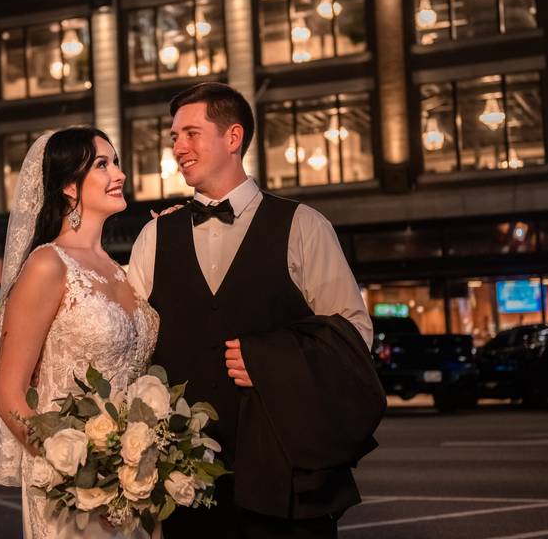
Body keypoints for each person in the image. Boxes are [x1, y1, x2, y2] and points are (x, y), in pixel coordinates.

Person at [128, 82, 373, 538]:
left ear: (233, 137)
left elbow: (354, 334)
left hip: (283, 471)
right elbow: (130, 340)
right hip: (186, 481)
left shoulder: (303, 225)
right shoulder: (155, 236)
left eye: (191, 133)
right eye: (174, 137)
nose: (178, 147)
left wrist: (270, 359)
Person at [0, 128, 160, 538]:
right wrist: (81, 478)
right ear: (67, 186)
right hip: (71, 493)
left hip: (134, 484)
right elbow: (7, 394)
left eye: (115, 162)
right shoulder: (48, 265)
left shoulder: (121, 271)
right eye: (102, 164)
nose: (119, 174)